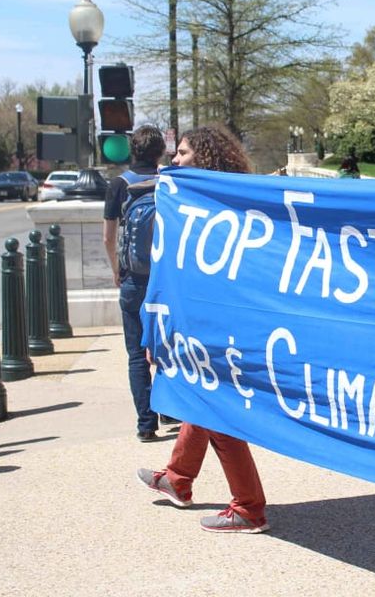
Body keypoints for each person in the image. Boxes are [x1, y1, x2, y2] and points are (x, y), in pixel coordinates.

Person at [137, 125, 270, 535]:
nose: (174, 160)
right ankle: (178, 477)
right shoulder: (191, 204)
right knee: (202, 398)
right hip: (206, 322)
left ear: (206, 158)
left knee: (215, 405)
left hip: (219, 326)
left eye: (182, 153)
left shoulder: (224, 207)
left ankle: (249, 507)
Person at [103, 125, 164, 442]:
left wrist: (117, 269)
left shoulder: (119, 184)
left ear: (132, 151)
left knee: (137, 354)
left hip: (134, 279)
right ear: (160, 152)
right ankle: (171, 408)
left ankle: (146, 424)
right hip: (166, 280)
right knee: (167, 347)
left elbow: (108, 237)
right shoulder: (169, 182)